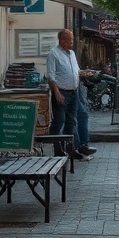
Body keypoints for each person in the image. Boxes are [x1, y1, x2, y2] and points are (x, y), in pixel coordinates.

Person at [46, 29, 84, 161]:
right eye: (70, 40)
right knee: (59, 120)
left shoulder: (72, 54)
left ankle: (70, 148)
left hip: (73, 92)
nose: (72, 42)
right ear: (62, 40)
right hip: (61, 92)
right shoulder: (53, 54)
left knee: (71, 121)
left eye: (72, 39)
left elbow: (76, 70)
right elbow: (51, 76)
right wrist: (56, 93)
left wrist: (84, 73)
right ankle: (57, 148)